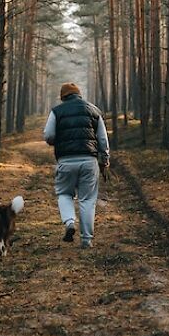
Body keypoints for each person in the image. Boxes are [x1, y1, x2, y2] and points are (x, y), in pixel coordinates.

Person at [42, 82, 110, 249]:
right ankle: (86, 240)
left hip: (66, 160)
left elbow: (49, 136)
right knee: (87, 199)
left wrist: (58, 140)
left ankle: (70, 222)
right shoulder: (93, 110)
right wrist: (105, 160)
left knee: (64, 194)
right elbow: (102, 139)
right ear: (79, 95)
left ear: (63, 97)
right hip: (89, 160)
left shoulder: (57, 111)